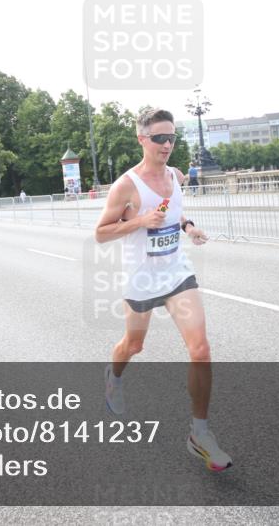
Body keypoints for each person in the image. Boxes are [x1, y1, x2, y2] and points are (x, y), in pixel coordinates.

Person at [94, 108, 231, 472]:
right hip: (141, 278)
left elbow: (175, 215)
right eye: (159, 138)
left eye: (171, 137)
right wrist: (139, 221)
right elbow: (101, 233)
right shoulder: (126, 185)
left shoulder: (175, 176)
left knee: (200, 349)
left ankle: (198, 433)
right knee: (134, 345)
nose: (167, 144)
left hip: (176, 273)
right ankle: (114, 376)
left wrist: (190, 229)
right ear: (142, 139)